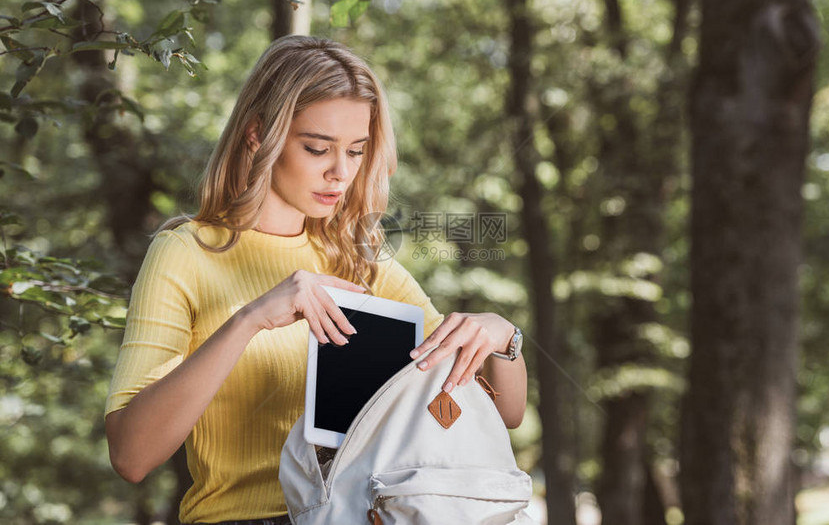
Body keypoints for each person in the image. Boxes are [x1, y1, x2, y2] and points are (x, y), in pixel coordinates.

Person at [104, 36, 528, 525]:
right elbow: (131, 457)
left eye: (356, 151)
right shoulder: (186, 253)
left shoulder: (360, 261)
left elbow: (504, 415)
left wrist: (502, 336)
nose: (340, 173)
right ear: (257, 135)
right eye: (317, 148)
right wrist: (251, 319)